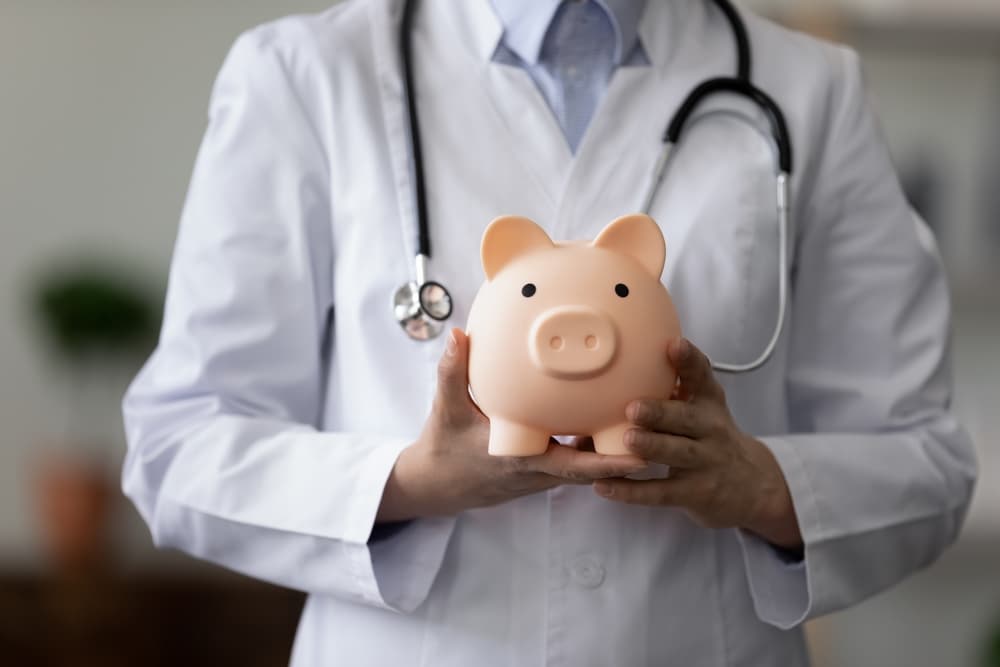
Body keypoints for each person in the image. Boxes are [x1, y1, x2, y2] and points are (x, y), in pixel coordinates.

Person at [121, 1, 978, 665]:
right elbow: (179, 445)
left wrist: (758, 485)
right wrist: (408, 482)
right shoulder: (306, 75)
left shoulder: (809, 89)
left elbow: (927, 461)